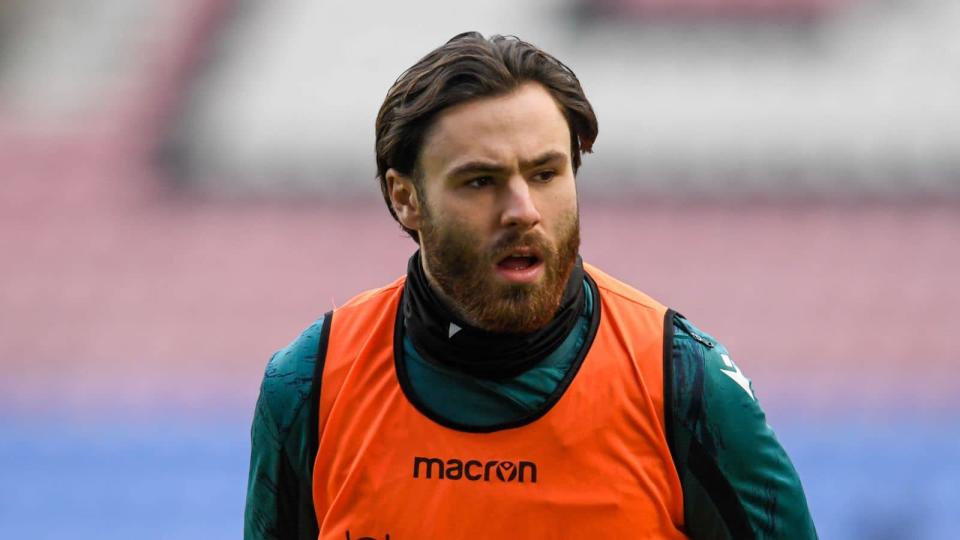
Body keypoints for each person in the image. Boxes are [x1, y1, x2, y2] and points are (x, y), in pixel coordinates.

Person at [244, 31, 818, 540]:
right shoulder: (312, 383)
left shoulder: (684, 383)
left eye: (545, 174)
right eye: (479, 181)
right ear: (405, 198)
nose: (522, 211)